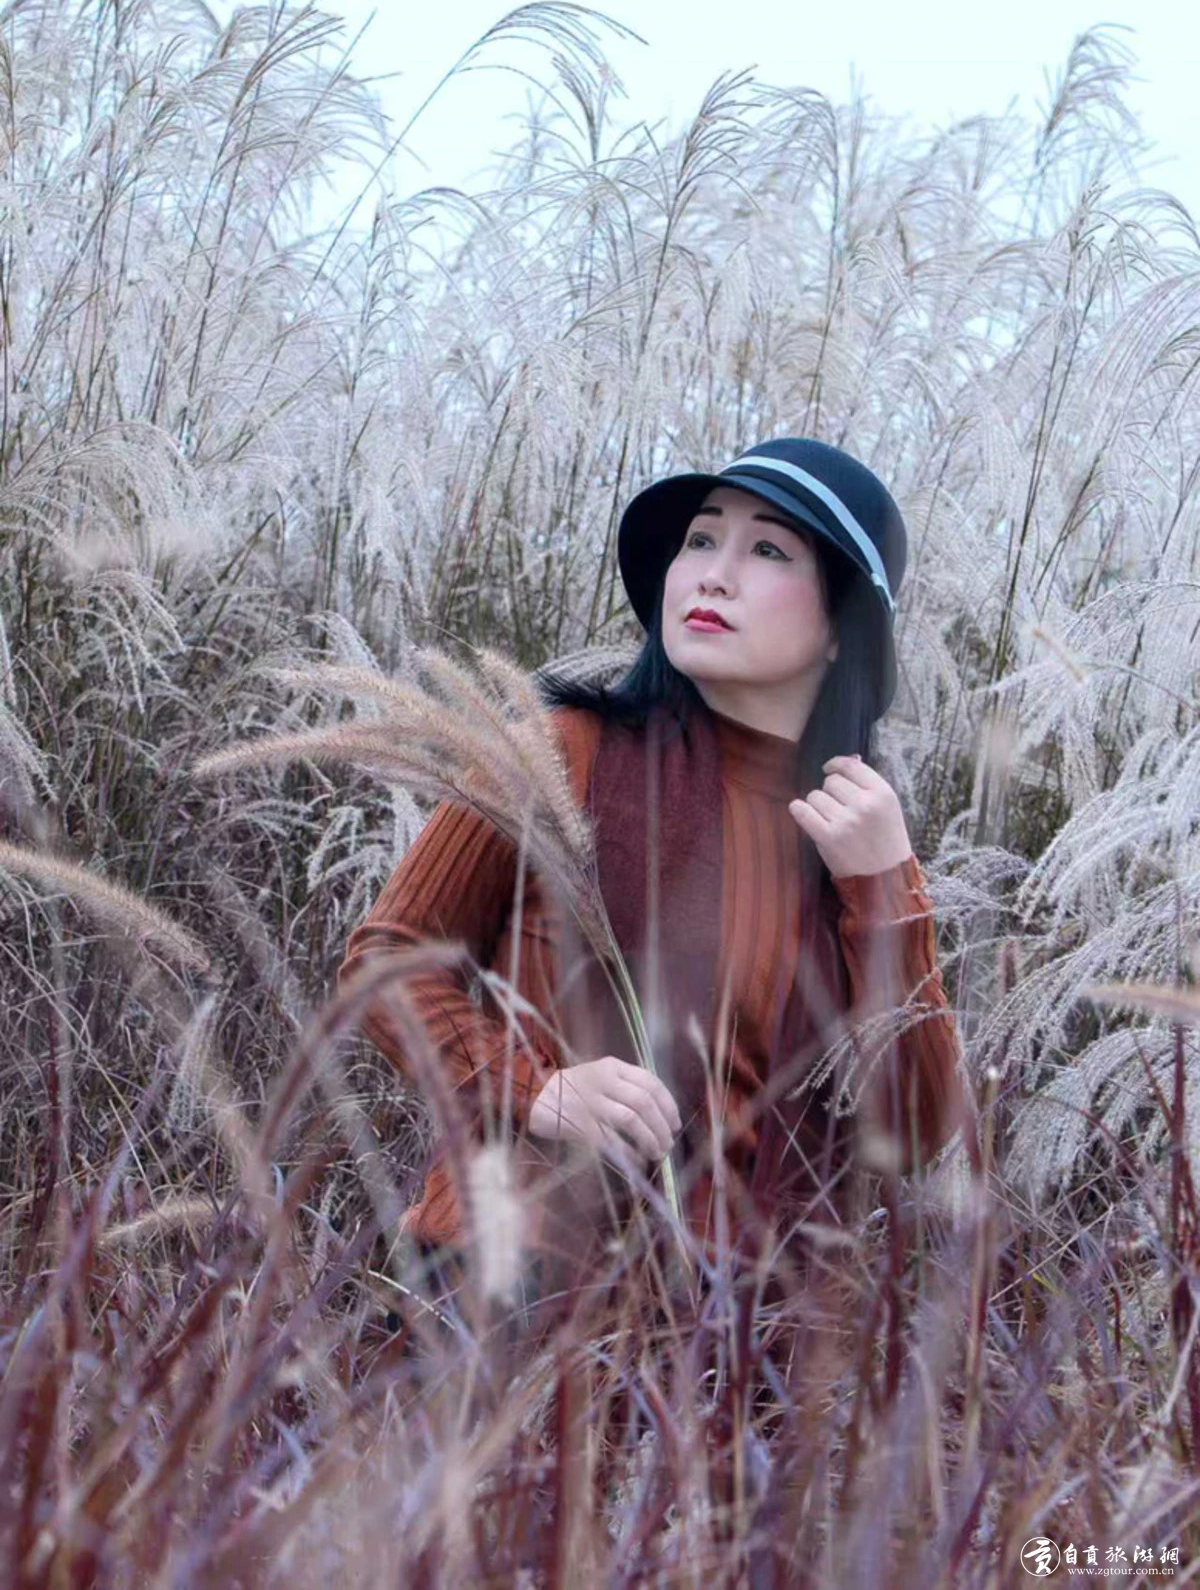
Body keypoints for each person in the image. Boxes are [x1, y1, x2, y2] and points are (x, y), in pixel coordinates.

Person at [337, 436, 970, 1350]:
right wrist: (538, 1089)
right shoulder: (561, 753)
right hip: (502, 1306)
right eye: (701, 540)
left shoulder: (851, 842)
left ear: (841, 627)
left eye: (768, 550)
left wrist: (887, 889)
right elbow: (386, 962)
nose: (713, 573)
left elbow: (910, 1135)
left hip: (737, 1360)